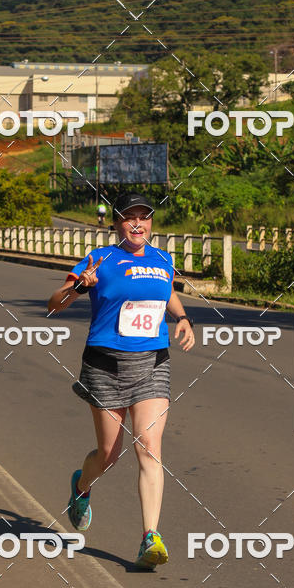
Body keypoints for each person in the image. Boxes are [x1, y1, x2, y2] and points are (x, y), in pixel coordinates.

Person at [47, 191, 195, 568]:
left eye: (144, 217)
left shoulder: (163, 259)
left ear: (151, 223)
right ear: (116, 223)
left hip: (152, 363)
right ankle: (82, 486)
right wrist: (80, 287)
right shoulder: (101, 258)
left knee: (148, 444)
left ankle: (150, 538)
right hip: (106, 364)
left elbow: (167, 293)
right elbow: (54, 302)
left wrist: (182, 317)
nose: (137, 223)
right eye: (129, 217)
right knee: (109, 455)